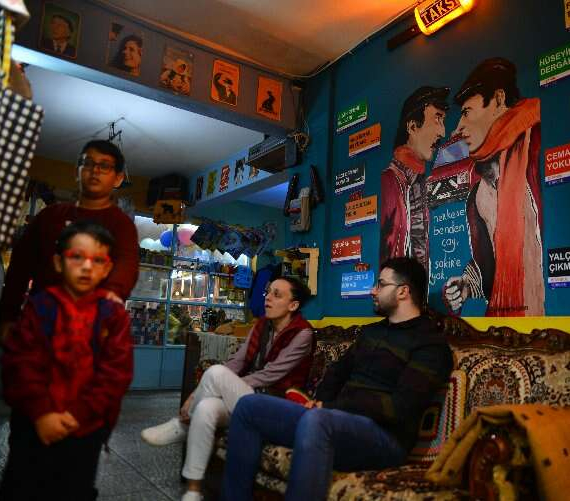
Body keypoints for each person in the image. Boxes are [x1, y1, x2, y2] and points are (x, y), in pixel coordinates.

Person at [221, 257, 453, 501]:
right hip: (336, 421)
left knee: (318, 420)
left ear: (403, 292)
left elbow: (399, 407)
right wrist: (319, 402)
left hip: (385, 438)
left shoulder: (430, 345)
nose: (373, 290)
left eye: (381, 284)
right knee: (249, 407)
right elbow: (337, 372)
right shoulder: (371, 332)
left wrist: (331, 407)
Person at [141, 276, 314, 501]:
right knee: (206, 408)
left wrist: (227, 383)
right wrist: (197, 393)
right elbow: (237, 362)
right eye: (268, 292)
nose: (268, 298)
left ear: (293, 305)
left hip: (277, 406)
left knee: (216, 373)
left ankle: (182, 426)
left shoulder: (303, 333)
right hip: (250, 398)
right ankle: (193, 490)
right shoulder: (262, 325)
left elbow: (270, 374)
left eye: (277, 295)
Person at [0, 221, 133, 501]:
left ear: (107, 269)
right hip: (34, 422)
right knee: (21, 487)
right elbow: (21, 363)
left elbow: (115, 374)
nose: (87, 267)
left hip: (85, 427)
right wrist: (42, 413)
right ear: (59, 263)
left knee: (74, 490)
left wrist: (77, 415)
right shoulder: (40, 306)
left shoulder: (113, 315)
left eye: (98, 260)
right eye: (77, 257)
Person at [0, 139, 139, 341]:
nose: (95, 170)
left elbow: (125, 271)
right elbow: (20, 266)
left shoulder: (122, 225)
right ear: (77, 171)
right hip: (39, 324)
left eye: (104, 165)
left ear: (118, 178)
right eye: (88, 163)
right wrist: (7, 315)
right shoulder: (49, 216)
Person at [442, 58, 544, 317]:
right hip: (503, 328)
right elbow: (490, 267)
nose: (458, 128)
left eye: (467, 112)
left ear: (499, 99)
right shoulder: (478, 194)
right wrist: (467, 285)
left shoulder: (540, 147)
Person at [380, 86, 449, 273]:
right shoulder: (391, 180)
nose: (442, 132)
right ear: (412, 127)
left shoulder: (419, 182)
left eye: (443, 121)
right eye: (437, 119)